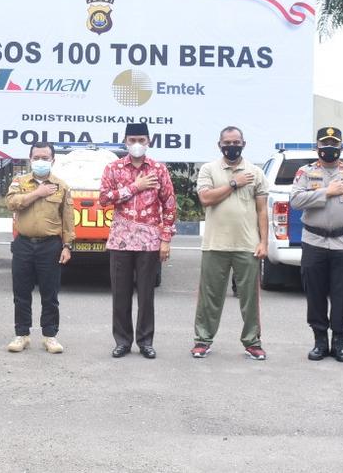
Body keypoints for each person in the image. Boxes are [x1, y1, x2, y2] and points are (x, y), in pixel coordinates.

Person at [288, 126, 343, 362]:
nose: (329, 148)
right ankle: (319, 341)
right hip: (314, 240)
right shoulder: (304, 172)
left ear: (341, 147)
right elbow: (295, 200)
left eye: (334, 144)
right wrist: (328, 191)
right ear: (317, 147)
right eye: (324, 144)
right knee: (314, 293)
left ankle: (339, 342)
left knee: (341, 294)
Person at [191, 126, 271, 360]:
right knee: (209, 297)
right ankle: (202, 340)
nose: (232, 146)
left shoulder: (255, 172)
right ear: (219, 145)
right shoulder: (209, 169)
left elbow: (262, 211)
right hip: (215, 245)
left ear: (243, 144)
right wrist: (234, 183)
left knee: (250, 299)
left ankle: (252, 342)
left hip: (248, 245)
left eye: (236, 142)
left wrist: (264, 242)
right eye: (227, 142)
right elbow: (205, 198)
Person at [100, 122, 177, 360]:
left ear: (149, 141)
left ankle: (145, 341)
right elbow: (104, 199)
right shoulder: (113, 168)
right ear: (125, 142)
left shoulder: (158, 169)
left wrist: (165, 240)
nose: (137, 145)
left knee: (146, 296)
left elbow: (170, 205)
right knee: (120, 295)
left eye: (141, 140)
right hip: (121, 241)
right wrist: (135, 186)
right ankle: (122, 341)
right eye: (132, 140)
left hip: (149, 242)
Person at [4, 141, 74, 354]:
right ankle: (22, 334)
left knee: (49, 294)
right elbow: (11, 203)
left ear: (53, 160)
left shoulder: (61, 186)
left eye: (45, 158)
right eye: (37, 158)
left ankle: (50, 336)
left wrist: (67, 246)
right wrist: (38, 193)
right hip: (24, 243)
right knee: (21, 292)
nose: (41, 161)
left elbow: (68, 219)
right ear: (30, 159)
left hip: (50, 246)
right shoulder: (20, 181)